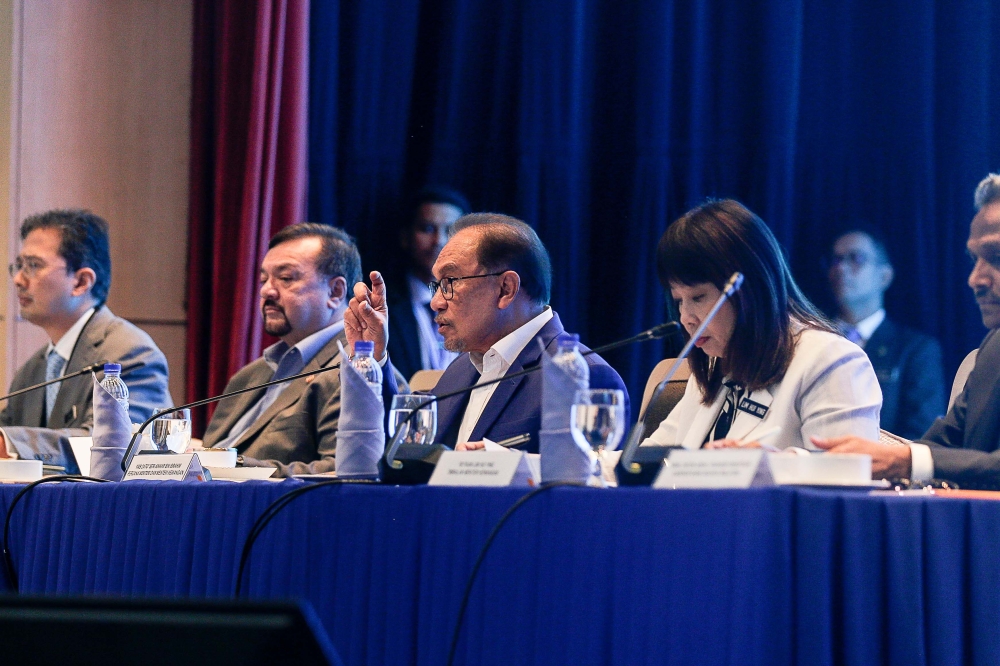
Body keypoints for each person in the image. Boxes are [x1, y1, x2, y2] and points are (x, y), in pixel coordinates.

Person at [347, 212, 630, 453]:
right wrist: (373, 358)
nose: (436, 302)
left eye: (449, 282)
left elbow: (586, 492)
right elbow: (402, 450)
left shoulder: (581, 374)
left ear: (506, 289)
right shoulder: (462, 369)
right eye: (437, 286)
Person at [642, 199, 881, 451]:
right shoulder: (717, 365)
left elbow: (847, 476)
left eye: (698, 297)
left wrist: (766, 468)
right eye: (679, 301)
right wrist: (596, 461)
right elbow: (648, 462)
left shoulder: (831, 361)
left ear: (748, 289)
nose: (686, 318)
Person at [815, 174, 1000, 487]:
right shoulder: (994, 347)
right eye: (974, 259)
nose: (975, 279)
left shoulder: (917, 349)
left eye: (996, 257)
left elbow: (918, 457)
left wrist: (905, 460)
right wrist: (798, 459)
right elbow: (941, 447)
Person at [201, 223, 398, 477]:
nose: (266, 290)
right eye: (263, 279)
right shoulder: (252, 374)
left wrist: (232, 468)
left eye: (285, 278)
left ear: (335, 291)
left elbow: (347, 471)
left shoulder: (359, 373)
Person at [0, 209, 171, 471]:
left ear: (81, 281)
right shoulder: (33, 369)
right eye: (19, 265)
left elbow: (115, 445)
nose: (18, 279)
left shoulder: (130, 353)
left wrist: (10, 443)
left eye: (33, 265)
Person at [826, 229, 945, 438]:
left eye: (856, 258)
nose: (841, 268)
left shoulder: (916, 350)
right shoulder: (811, 337)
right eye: (836, 259)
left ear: (884, 276)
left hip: (884, 466)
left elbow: (922, 435)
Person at [385, 186, 470, 381]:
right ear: (406, 237)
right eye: (427, 229)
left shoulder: (482, 303)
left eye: (450, 231)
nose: (438, 240)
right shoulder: (381, 306)